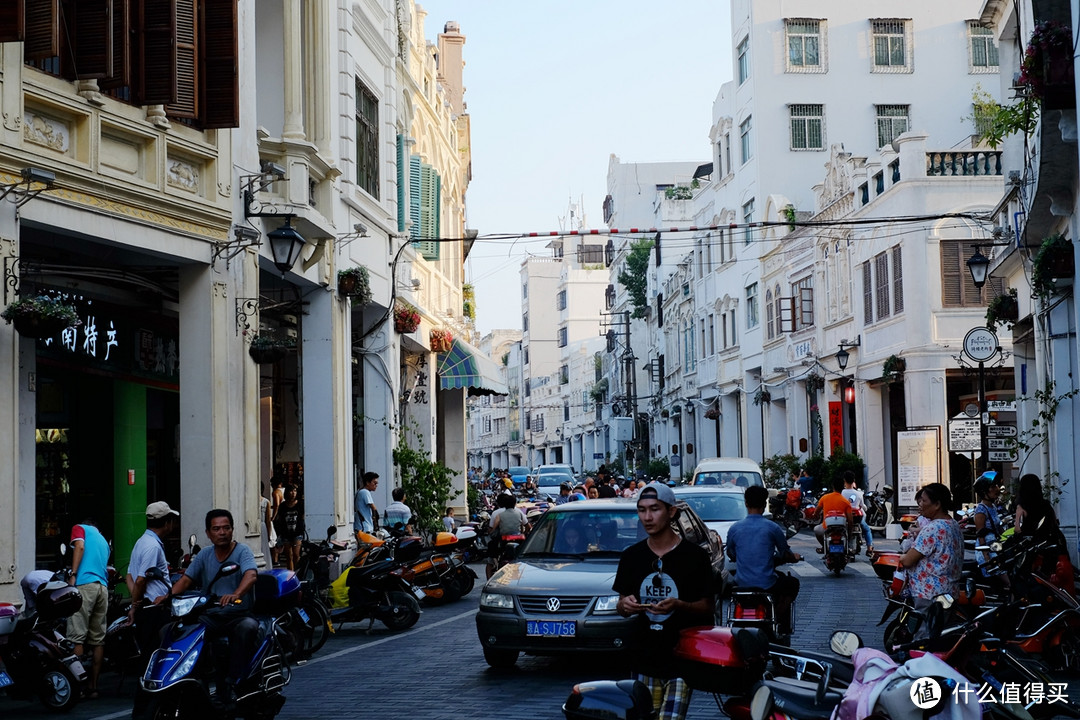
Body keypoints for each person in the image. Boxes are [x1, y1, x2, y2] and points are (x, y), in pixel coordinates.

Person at [613, 482, 713, 720]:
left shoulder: (695, 557)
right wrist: (624, 606)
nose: (647, 517)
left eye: (655, 509)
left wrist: (680, 605)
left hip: (681, 659)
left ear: (671, 512)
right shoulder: (631, 556)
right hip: (643, 659)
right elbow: (621, 604)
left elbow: (708, 608)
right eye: (642, 510)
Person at [169, 509, 258, 707]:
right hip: (211, 615)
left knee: (247, 628)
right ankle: (191, 682)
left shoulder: (242, 551)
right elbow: (186, 580)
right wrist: (167, 599)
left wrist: (236, 594)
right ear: (208, 533)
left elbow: (251, 575)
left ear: (232, 530)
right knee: (182, 632)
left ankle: (234, 682)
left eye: (226, 528)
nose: (222, 532)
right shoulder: (204, 555)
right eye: (216, 529)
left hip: (238, 615)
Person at [725, 485, 802, 636]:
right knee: (792, 583)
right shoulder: (772, 528)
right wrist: (794, 558)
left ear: (746, 503)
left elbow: (731, 553)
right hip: (767, 584)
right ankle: (778, 618)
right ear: (764, 503)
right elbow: (785, 553)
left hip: (741, 584)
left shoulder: (735, 528)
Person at [898, 483, 963, 623]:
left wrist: (902, 557)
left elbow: (908, 560)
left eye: (924, 500)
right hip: (949, 592)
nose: (920, 504)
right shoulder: (953, 525)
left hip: (928, 595)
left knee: (924, 637)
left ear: (937, 504)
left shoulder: (932, 529)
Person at [67, 517, 110, 699]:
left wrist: (73, 574)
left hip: (85, 586)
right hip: (103, 588)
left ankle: (79, 686)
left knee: (77, 636)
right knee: (98, 639)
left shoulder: (79, 527)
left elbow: (80, 547)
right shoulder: (103, 540)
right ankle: (93, 687)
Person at [813, 476, 853, 552]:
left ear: (833, 486)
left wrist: (815, 516)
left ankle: (825, 547)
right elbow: (850, 520)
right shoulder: (846, 502)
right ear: (843, 487)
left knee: (816, 529)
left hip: (826, 527)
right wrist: (850, 533)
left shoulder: (824, 498)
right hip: (842, 528)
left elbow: (816, 512)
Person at [841, 472, 874, 556]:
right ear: (854, 481)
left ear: (844, 481)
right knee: (867, 530)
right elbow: (862, 506)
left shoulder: (842, 493)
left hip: (845, 517)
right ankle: (869, 549)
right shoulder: (858, 494)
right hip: (857, 518)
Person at [272, 485, 305, 570]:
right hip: (286, 533)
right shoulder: (283, 506)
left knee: (296, 555)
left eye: (295, 491)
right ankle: (291, 573)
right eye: (291, 491)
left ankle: (297, 573)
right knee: (288, 556)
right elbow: (281, 520)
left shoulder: (300, 504)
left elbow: (302, 518)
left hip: (297, 532)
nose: (293, 493)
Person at [270, 477, 285, 566]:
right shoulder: (284, 491)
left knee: (275, 538)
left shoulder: (276, 492)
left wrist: (273, 517)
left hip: (279, 518)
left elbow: (277, 506)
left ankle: (275, 559)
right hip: (285, 518)